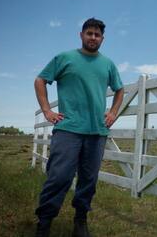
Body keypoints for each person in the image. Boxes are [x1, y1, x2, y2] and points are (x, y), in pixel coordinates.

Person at [34, 18, 124, 237]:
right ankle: (44, 222)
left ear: (102, 38)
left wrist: (113, 113)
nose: (93, 37)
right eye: (89, 33)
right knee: (59, 176)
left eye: (97, 35)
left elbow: (119, 90)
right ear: (81, 35)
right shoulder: (65, 58)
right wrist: (47, 111)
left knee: (89, 179)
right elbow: (40, 80)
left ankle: (80, 220)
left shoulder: (108, 64)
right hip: (68, 128)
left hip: (97, 132)